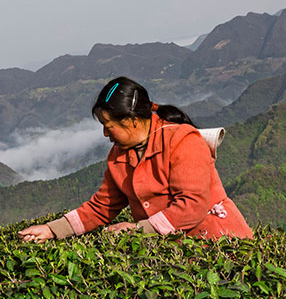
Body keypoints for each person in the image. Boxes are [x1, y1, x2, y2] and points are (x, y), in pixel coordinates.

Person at [19, 76, 253, 243]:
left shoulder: (183, 140)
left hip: (221, 244)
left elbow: (192, 205)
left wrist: (137, 230)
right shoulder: (119, 158)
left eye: (108, 126)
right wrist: (51, 230)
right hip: (176, 254)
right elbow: (102, 206)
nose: (105, 134)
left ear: (132, 120)